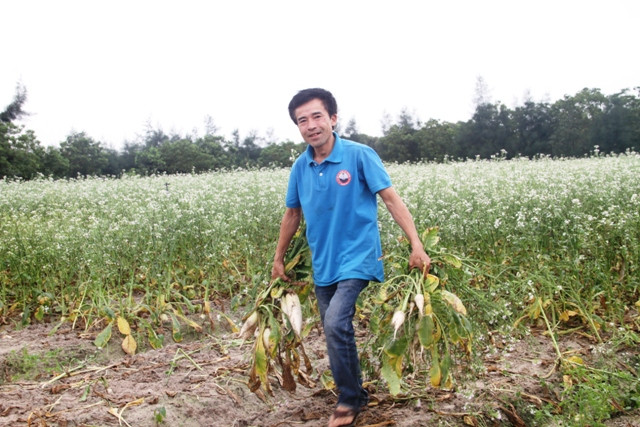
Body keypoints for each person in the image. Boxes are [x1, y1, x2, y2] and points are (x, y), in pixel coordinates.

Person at [271, 88, 431, 427]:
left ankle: (348, 399)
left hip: (358, 256)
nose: (311, 125)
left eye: (317, 116)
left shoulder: (359, 155)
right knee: (335, 330)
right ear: (298, 127)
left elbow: (390, 199)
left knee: (333, 322)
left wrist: (416, 244)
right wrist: (278, 259)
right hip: (323, 263)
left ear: (332, 118)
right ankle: (355, 391)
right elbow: (292, 215)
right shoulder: (300, 168)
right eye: (303, 120)